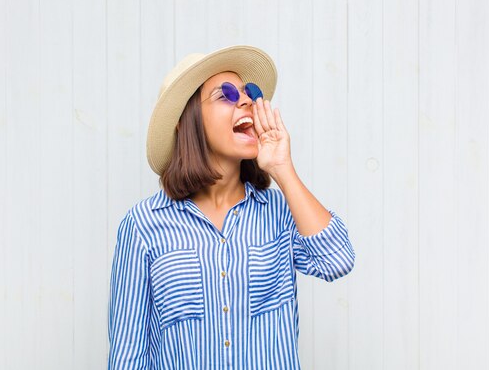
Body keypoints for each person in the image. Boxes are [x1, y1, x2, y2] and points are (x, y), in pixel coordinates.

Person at [107, 45, 355, 370]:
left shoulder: (279, 212)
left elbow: (337, 260)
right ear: (187, 121)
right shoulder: (142, 226)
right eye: (225, 94)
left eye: (249, 93)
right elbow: (127, 355)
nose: (247, 101)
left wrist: (282, 169)